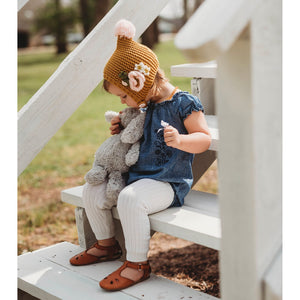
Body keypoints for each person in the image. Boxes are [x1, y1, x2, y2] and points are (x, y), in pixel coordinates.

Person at [69, 19, 211, 291]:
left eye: (123, 96)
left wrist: (181, 139)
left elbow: (204, 139)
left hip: (167, 182)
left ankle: (137, 265)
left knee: (130, 199)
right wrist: (120, 127)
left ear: (139, 84)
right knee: (92, 189)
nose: (121, 102)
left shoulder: (183, 104)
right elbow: (136, 133)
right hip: (137, 176)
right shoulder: (146, 105)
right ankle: (106, 246)